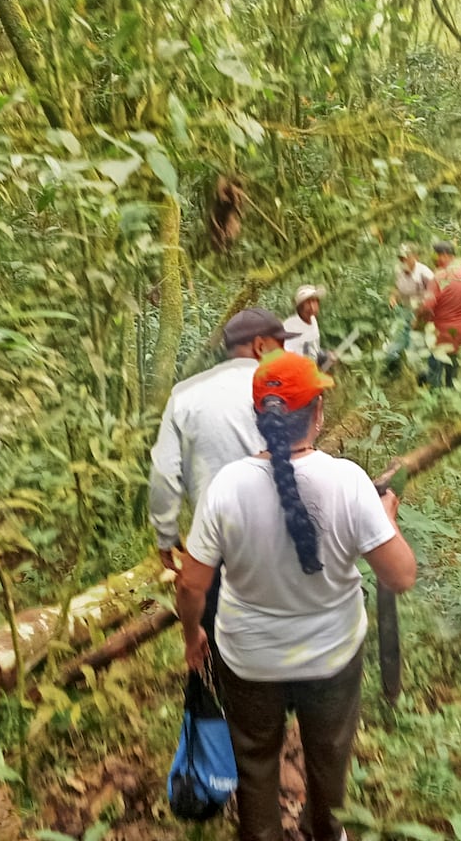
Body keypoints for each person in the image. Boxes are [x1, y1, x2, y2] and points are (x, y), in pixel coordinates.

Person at [177, 351, 417, 841]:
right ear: (319, 413)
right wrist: (385, 517)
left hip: (248, 661)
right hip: (331, 658)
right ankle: (327, 831)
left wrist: (191, 635)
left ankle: (261, 833)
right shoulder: (349, 483)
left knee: (255, 759)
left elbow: (190, 584)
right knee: (329, 758)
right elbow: (400, 576)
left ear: (258, 418)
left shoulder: (226, 488)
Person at [148, 308, 297, 574]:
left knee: (218, 615)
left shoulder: (184, 394)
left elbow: (164, 472)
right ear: (260, 346)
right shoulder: (283, 391)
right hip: (279, 544)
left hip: (213, 548)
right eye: (281, 345)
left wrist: (166, 536)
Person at [417, 240, 461, 388]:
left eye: (436, 256)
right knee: (453, 369)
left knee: (434, 371)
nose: (434, 260)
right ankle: (451, 400)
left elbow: (427, 306)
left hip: (442, 332)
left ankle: (434, 401)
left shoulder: (439, 277)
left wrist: (418, 319)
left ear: (443, 255)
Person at [385, 244, 434, 373]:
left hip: (422, 312)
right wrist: (393, 297)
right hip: (404, 310)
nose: (403, 261)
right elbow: (396, 288)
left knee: (417, 344)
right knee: (397, 339)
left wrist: (421, 316)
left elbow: (434, 294)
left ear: (414, 257)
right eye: (401, 259)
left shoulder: (425, 273)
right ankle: (393, 370)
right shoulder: (399, 271)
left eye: (406, 258)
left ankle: (421, 376)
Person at [283, 284, 325, 362]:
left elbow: (314, 350)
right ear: (300, 307)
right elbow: (288, 355)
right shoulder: (290, 326)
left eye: (314, 301)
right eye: (308, 303)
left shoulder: (313, 321)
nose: (312, 307)